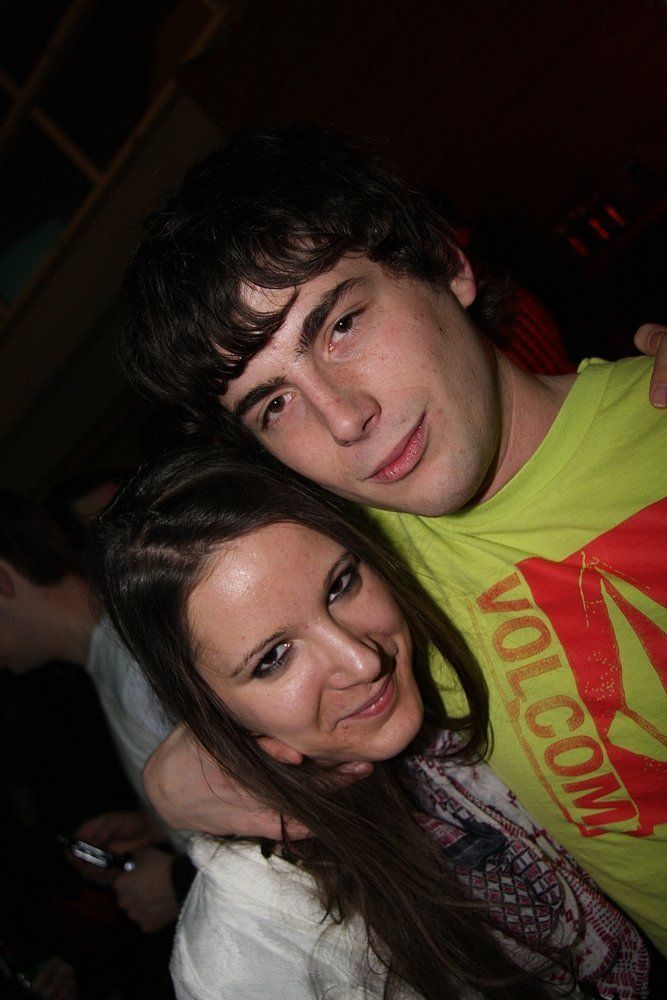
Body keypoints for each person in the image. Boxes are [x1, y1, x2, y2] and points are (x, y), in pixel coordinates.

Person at [120, 124, 667, 952]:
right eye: (274, 404)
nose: (343, 418)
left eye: (340, 324)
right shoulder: (349, 573)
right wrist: (171, 782)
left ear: (446, 264)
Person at [94, 446, 649, 1000]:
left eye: (340, 585)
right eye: (273, 658)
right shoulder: (253, 953)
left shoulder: (457, 653)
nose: (362, 661)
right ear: (211, 713)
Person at [0, 491, 189, 933]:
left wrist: (178, 881)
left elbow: (294, 803)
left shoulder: (135, 661)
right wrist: (157, 826)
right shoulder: (112, 657)